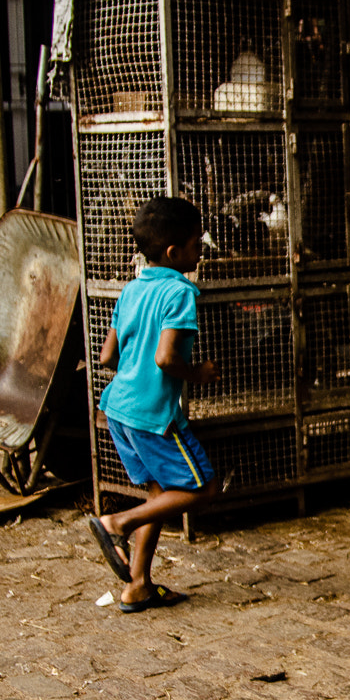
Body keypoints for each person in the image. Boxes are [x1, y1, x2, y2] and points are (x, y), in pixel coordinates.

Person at [86, 196, 221, 613]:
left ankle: (138, 586)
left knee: (159, 495)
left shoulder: (131, 290)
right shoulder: (179, 291)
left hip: (119, 411)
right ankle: (117, 524)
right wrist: (197, 373)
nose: (201, 251)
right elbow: (166, 358)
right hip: (152, 415)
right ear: (173, 253)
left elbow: (108, 357)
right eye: (197, 245)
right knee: (203, 486)